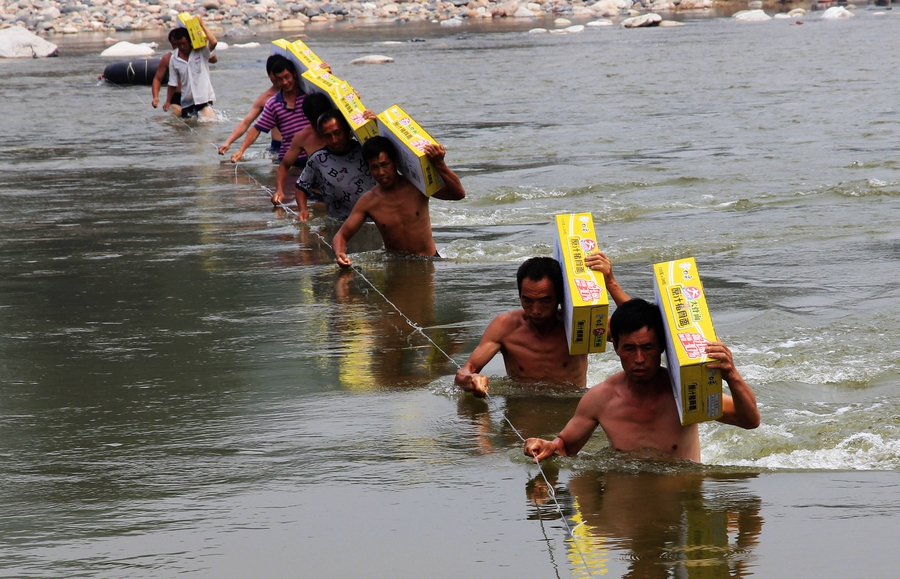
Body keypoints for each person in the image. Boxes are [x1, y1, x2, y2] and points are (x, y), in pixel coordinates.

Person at [523, 297, 760, 463]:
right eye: (629, 348)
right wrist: (547, 447)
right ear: (615, 346)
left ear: (661, 348)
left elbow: (750, 421)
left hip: (681, 504)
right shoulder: (599, 399)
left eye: (648, 347)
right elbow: (565, 446)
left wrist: (731, 375)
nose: (639, 358)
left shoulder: (686, 392)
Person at [455, 253, 630, 396]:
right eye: (527, 300)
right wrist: (472, 380)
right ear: (520, 295)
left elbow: (640, 327)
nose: (535, 310)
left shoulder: (581, 324)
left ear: (561, 298)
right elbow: (463, 373)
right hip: (524, 409)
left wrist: (611, 283)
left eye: (545, 301)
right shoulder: (505, 327)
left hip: (570, 409)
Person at [331, 136, 466, 266]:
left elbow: (458, 193)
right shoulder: (368, 201)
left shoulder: (417, 186)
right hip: (396, 266)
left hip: (428, 261)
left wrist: (439, 164)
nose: (381, 172)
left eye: (385, 165)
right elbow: (341, 236)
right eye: (375, 167)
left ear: (395, 162)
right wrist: (340, 253)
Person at [292, 110, 377, 221]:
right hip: (339, 223)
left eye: (337, 133)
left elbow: (385, 151)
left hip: (372, 220)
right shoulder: (318, 160)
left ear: (347, 131)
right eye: (328, 136)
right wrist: (303, 210)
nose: (334, 139)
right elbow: (301, 187)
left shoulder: (365, 150)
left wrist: (375, 124)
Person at [227, 58, 312, 166]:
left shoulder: (308, 95)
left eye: (287, 77)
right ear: (275, 80)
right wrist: (241, 150)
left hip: (312, 157)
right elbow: (257, 128)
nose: (285, 82)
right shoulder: (273, 104)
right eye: (280, 79)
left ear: (294, 74)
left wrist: (326, 74)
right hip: (289, 161)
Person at [269, 92, 333, 206]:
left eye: (322, 122)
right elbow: (284, 166)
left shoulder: (344, 129)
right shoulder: (303, 137)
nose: (319, 128)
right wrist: (279, 190)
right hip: (318, 195)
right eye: (314, 123)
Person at [217, 54, 287, 158]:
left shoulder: (300, 91)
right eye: (275, 74)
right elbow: (247, 122)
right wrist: (228, 142)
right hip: (278, 147)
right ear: (269, 75)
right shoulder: (266, 99)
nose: (280, 78)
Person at [151, 29, 218, 117]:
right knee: (180, 122)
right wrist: (158, 98)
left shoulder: (199, 52)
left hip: (203, 97)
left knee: (206, 122)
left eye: (183, 44)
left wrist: (201, 27)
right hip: (182, 98)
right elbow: (161, 80)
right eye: (176, 44)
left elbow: (214, 57)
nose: (181, 47)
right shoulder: (170, 59)